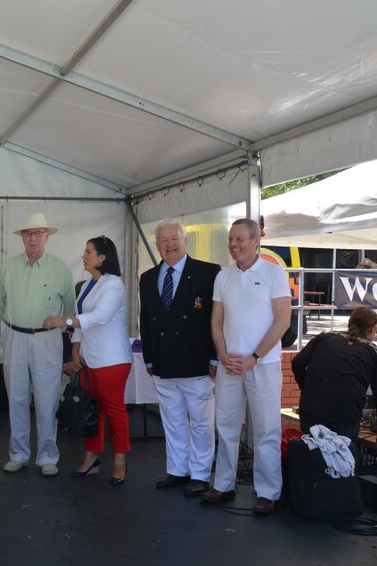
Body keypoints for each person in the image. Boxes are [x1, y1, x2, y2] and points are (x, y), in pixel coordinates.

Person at [203, 218, 291, 515]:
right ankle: (224, 485)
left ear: (256, 241)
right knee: (226, 426)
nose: (233, 244)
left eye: (239, 239)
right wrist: (223, 353)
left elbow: (283, 321)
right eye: (231, 239)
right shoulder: (223, 277)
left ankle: (268, 492)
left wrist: (254, 356)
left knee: (266, 429)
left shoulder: (273, 272)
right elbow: (216, 322)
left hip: (262, 364)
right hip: (230, 364)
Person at [138, 220, 220, 497]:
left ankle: (199, 474)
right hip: (163, 363)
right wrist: (148, 359)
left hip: (197, 362)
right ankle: (177, 470)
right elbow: (146, 320)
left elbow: (216, 320)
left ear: (185, 241)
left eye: (175, 239)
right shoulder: (148, 278)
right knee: (172, 420)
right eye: (163, 240)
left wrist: (214, 358)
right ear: (157, 244)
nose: (169, 245)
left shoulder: (208, 273)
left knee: (200, 422)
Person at [45, 236, 132, 485]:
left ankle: (119, 461)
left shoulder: (114, 285)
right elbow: (82, 319)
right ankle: (91, 458)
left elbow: (100, 317)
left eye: (89, 251)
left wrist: (64, 322)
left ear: (102, 258)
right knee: (91, 409)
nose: (84, 256)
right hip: (89, 359)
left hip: (112, 360)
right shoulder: (86, 286)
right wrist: (75, 348)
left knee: (114, 412)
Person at [0, 213, 74, 476]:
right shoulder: (9, 267)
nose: (33, 238)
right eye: (28, 234)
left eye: (38, 233)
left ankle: (47, 456)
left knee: (47, 399)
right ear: (22, 237)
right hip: (15, 337)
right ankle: (18, 454)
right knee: (16, 397)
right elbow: (1, 304)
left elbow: (70, 306)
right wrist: (19, 322)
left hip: (46, 338)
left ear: (47, 236)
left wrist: (54, 326)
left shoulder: (60, 268)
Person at [291, 306, 377, 444]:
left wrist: (308, 388)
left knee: (313, 458)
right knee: (341, 460)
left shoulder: (324, 337)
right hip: (345, 415)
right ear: (372, 328)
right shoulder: (375, 353)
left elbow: (298, 362)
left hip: (313, 409)